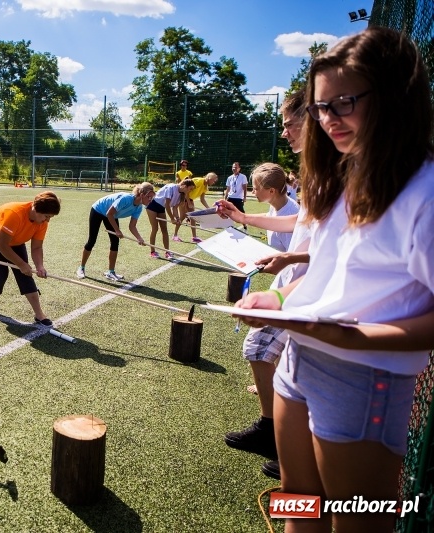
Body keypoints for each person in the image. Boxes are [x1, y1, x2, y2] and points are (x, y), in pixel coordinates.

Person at [236, 28, 434, 532]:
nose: (327, 121)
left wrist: (352, 336)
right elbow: (323, 275)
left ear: (395, 96)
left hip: (364, 378)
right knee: (296, 500)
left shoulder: (426, 192)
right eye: (321, 108)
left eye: (342, 103)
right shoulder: (344, 177)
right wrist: (277, 297)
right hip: (299, 360)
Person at [220, 89, 310, 482]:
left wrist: (277, 291)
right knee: (285, 369)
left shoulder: (345, 175)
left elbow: (333, 249)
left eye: (290, 123)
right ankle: (286, 449)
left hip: (306, 296)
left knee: (269, 354)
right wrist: (243, 218)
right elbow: (303, 230)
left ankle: (295, 457)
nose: (285, 132)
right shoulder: (317, 178)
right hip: (293, 288)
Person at [0, 191, 61, 326]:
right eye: (46, 216)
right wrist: (21, 263)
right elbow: (1, 244)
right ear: (36, 210)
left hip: (15, 242)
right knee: (0, 273)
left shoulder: (42, 223)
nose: (47, 220)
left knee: (26, 275)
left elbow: (36, 247)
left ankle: (39, 314)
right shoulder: (14, 214)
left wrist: (40, 266)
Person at [76, 182, 155, 281]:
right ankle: (81, 268)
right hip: (99, 210)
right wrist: (117, 230)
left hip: (112, 215)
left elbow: (132, 226)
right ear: (142, 195)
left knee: (115, 242)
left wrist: (139, 238)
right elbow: (109, 213)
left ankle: (111, 272)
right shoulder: (126, 199)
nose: (150, 200)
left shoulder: (139, 207)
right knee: (92, 240)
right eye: (149, 197)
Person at [146, 178, 195, 257]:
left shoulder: (181, 195)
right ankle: (153, 252)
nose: (190, 191)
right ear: (185, 186)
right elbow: (167, 205)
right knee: (155, 229)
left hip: (161, 208)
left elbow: (175, 208)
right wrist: (172, 218)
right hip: (152, 206)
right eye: (190, 189)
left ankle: (167, 252)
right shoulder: (171, 187)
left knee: (164, 229)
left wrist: (177, 218)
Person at [181, 172, 218, 243]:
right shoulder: (199, 181)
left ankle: (194, 237)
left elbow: (202, 199)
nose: (214, 182)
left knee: (192, 217)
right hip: (184, 197)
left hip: (190, 199)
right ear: (209, 178)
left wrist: (208, 208)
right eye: (213, 180)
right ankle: (175, 235)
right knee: (183, 217)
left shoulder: (205, 187)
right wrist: (188, 202)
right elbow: (187, 191)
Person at [224, 162, 248, 229]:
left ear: (239, 169)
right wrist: (225, 198)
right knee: (227, 212)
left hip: (238, 198)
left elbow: (245, 187)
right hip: (230, 197)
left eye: (236, 167)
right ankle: (229, 226)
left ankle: (244, 225)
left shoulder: (243, 177)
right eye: (233, 167)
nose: (234, 168)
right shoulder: (229, 178)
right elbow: (228, 189)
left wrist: (244, 197)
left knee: (241, 212)